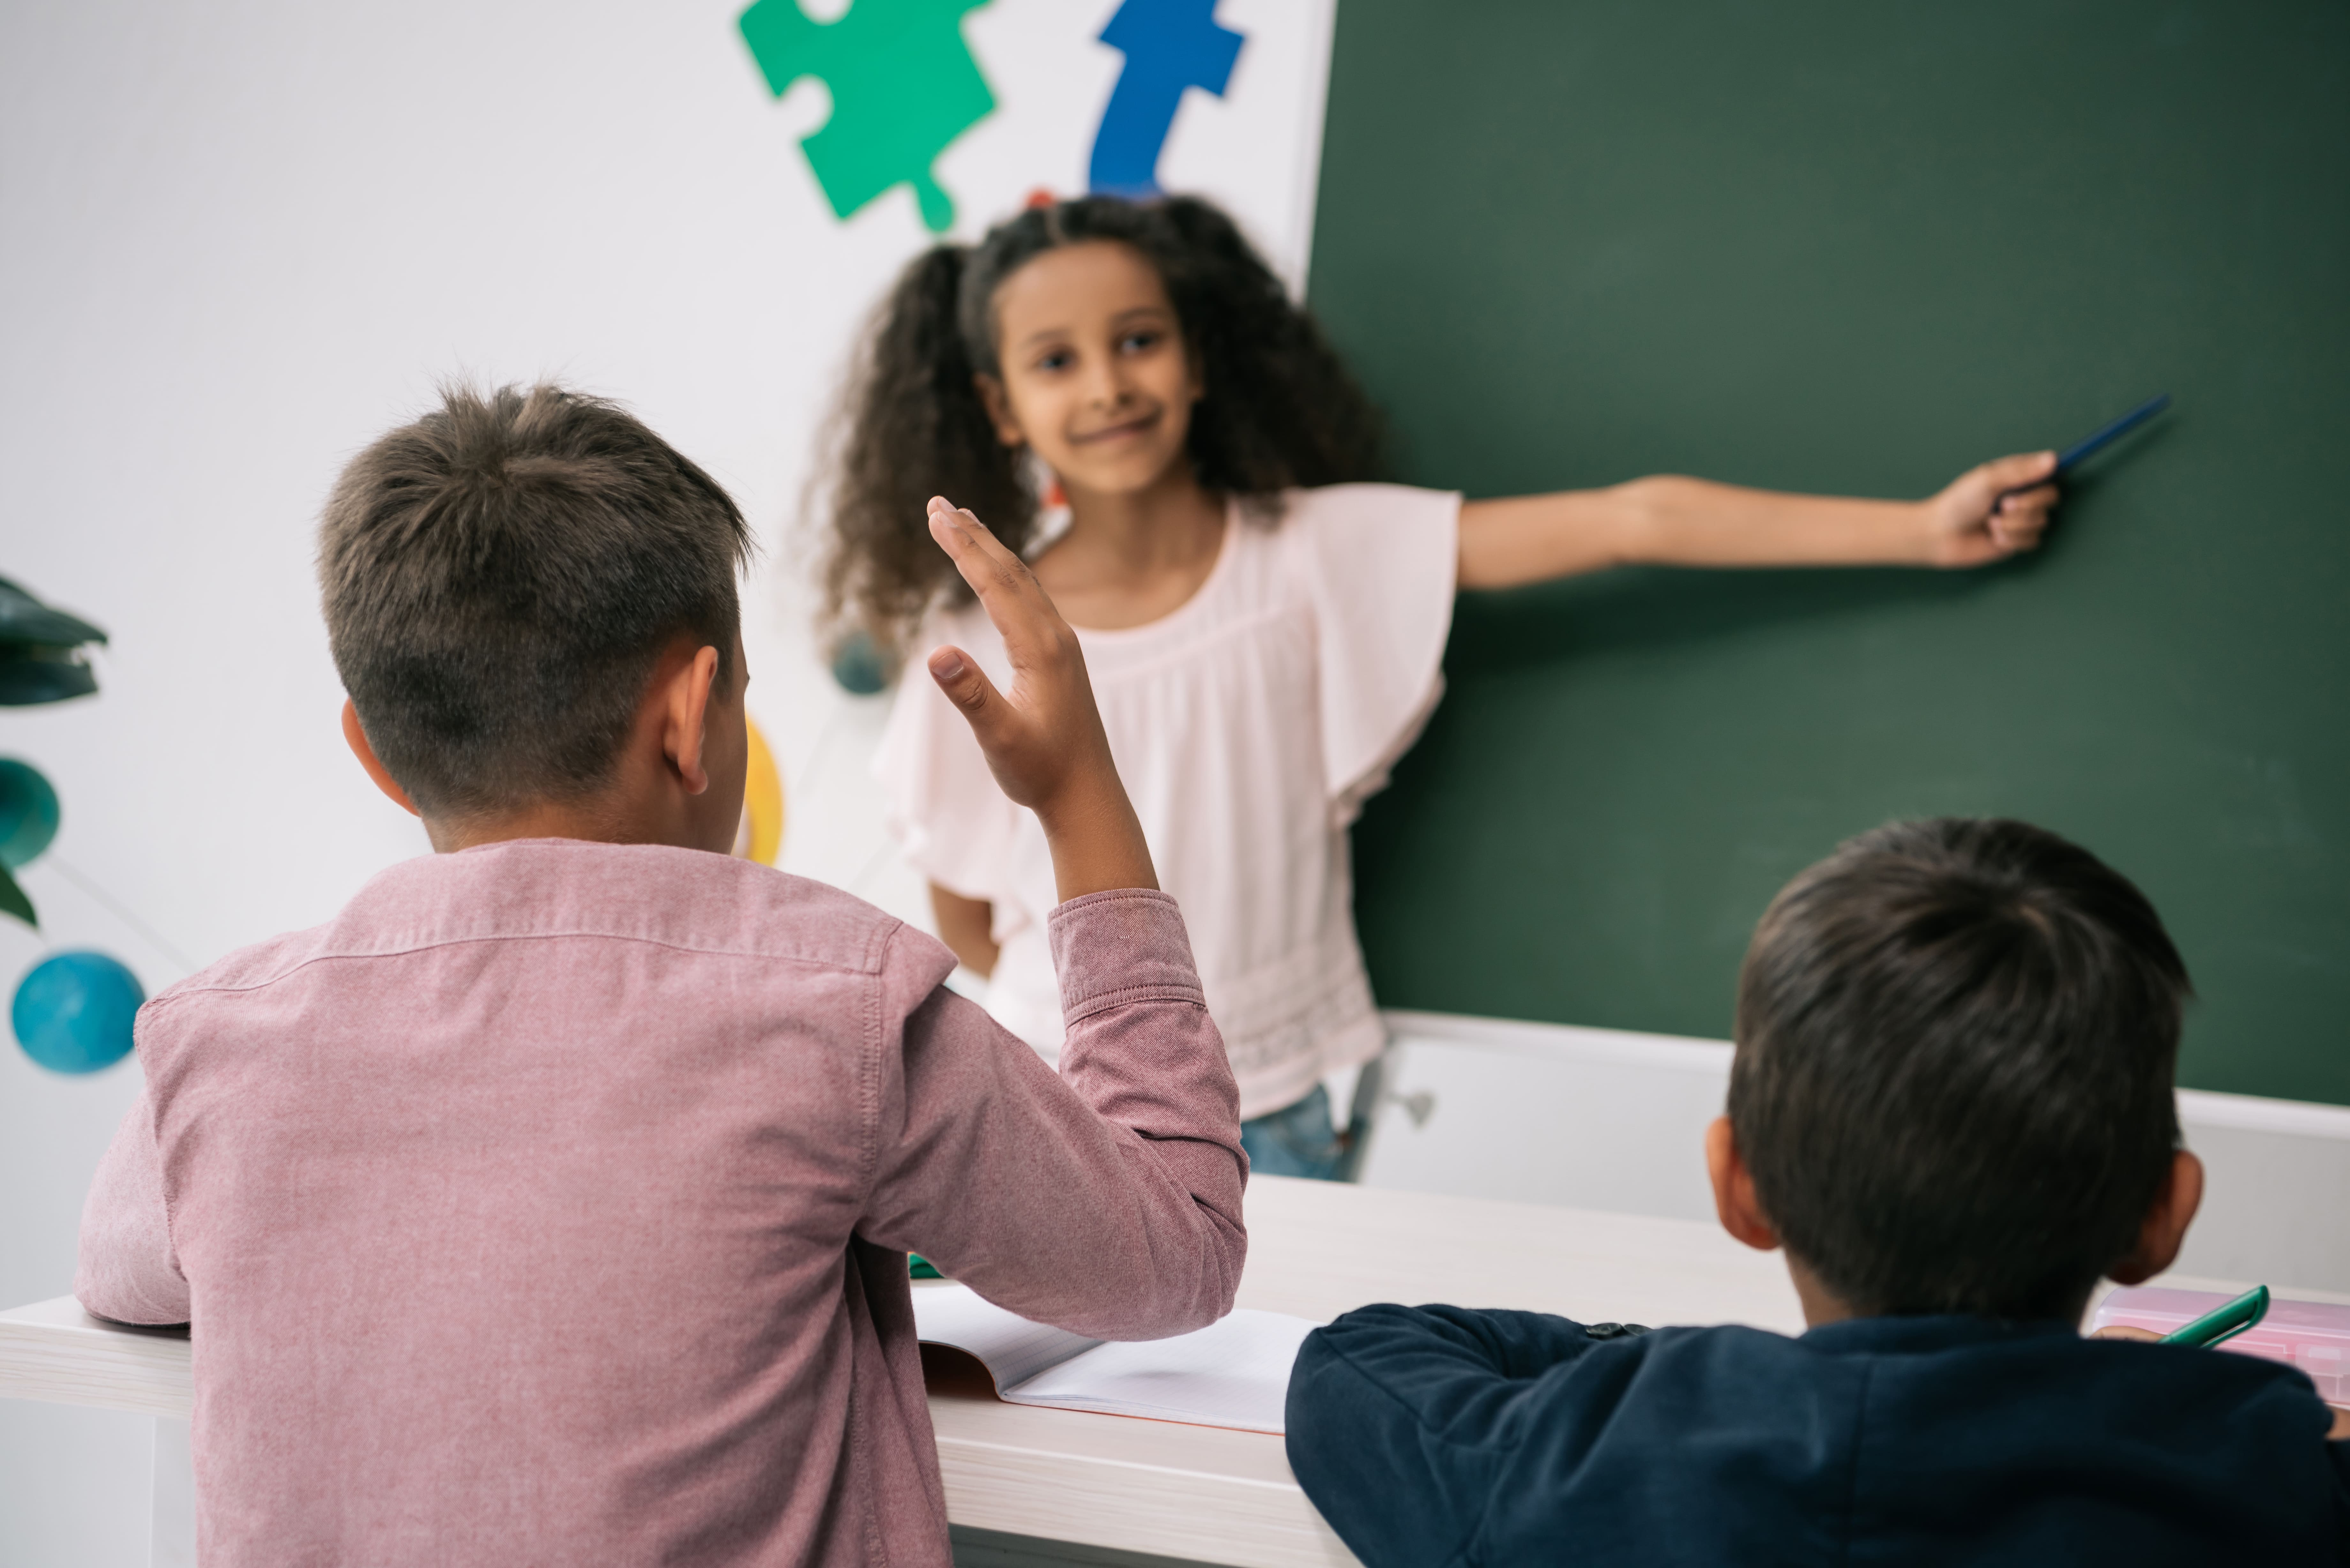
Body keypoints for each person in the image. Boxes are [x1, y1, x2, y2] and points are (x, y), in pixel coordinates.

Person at [73, 384, 1247, 1567]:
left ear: (377, 756)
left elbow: (122, 1275)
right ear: (695, 715)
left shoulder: (214, 1045)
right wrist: (1078, 795)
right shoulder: (844, 1010)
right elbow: (1179, 1255)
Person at [837, 194, 2063, 1181]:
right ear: (1002, 406)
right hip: (1061, 1112)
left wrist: (1919, 528)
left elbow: (1631, 521)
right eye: (1058, 361)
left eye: (1139, 340)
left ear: (1200, 360)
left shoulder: (1314, 554)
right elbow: (968, 906)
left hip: (1285, 1107)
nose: (1107, 385)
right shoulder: (984, 625)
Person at [1284, 818, 2350, 1565]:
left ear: (1740, 1188)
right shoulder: (2266, 1479)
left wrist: (1688, 1372)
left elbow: (1356, 1365)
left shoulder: (1591, 1466)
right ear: (2163, 1215)